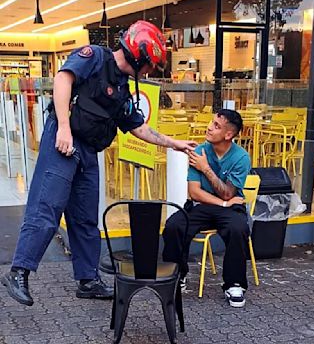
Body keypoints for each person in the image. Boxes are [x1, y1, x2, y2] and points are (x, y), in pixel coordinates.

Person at [1, 20, 196, 307]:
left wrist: (173, 143)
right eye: (150, 64)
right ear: (139, 55)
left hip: (89, 150)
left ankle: (88, 280)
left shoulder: (122, 89)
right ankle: (19, 271)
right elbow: (62, 79)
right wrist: (64, 128)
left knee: (85, 219)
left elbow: (138, 127)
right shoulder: (93, 57)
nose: (151, 71)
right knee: (47, 208)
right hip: (64, 141)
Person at [162, 109, 251, 307]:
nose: (209, 127)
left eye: (216, 126)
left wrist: (206, 169)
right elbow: (194, 192)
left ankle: (234, 284)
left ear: (228, 135)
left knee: (238, 229)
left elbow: (228, 192)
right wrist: (223, 203)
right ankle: (177, 274)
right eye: (211, 122)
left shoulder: (241, 157)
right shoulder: (200, 151)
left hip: (230, 209)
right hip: (204, 206)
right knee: (174, 225)